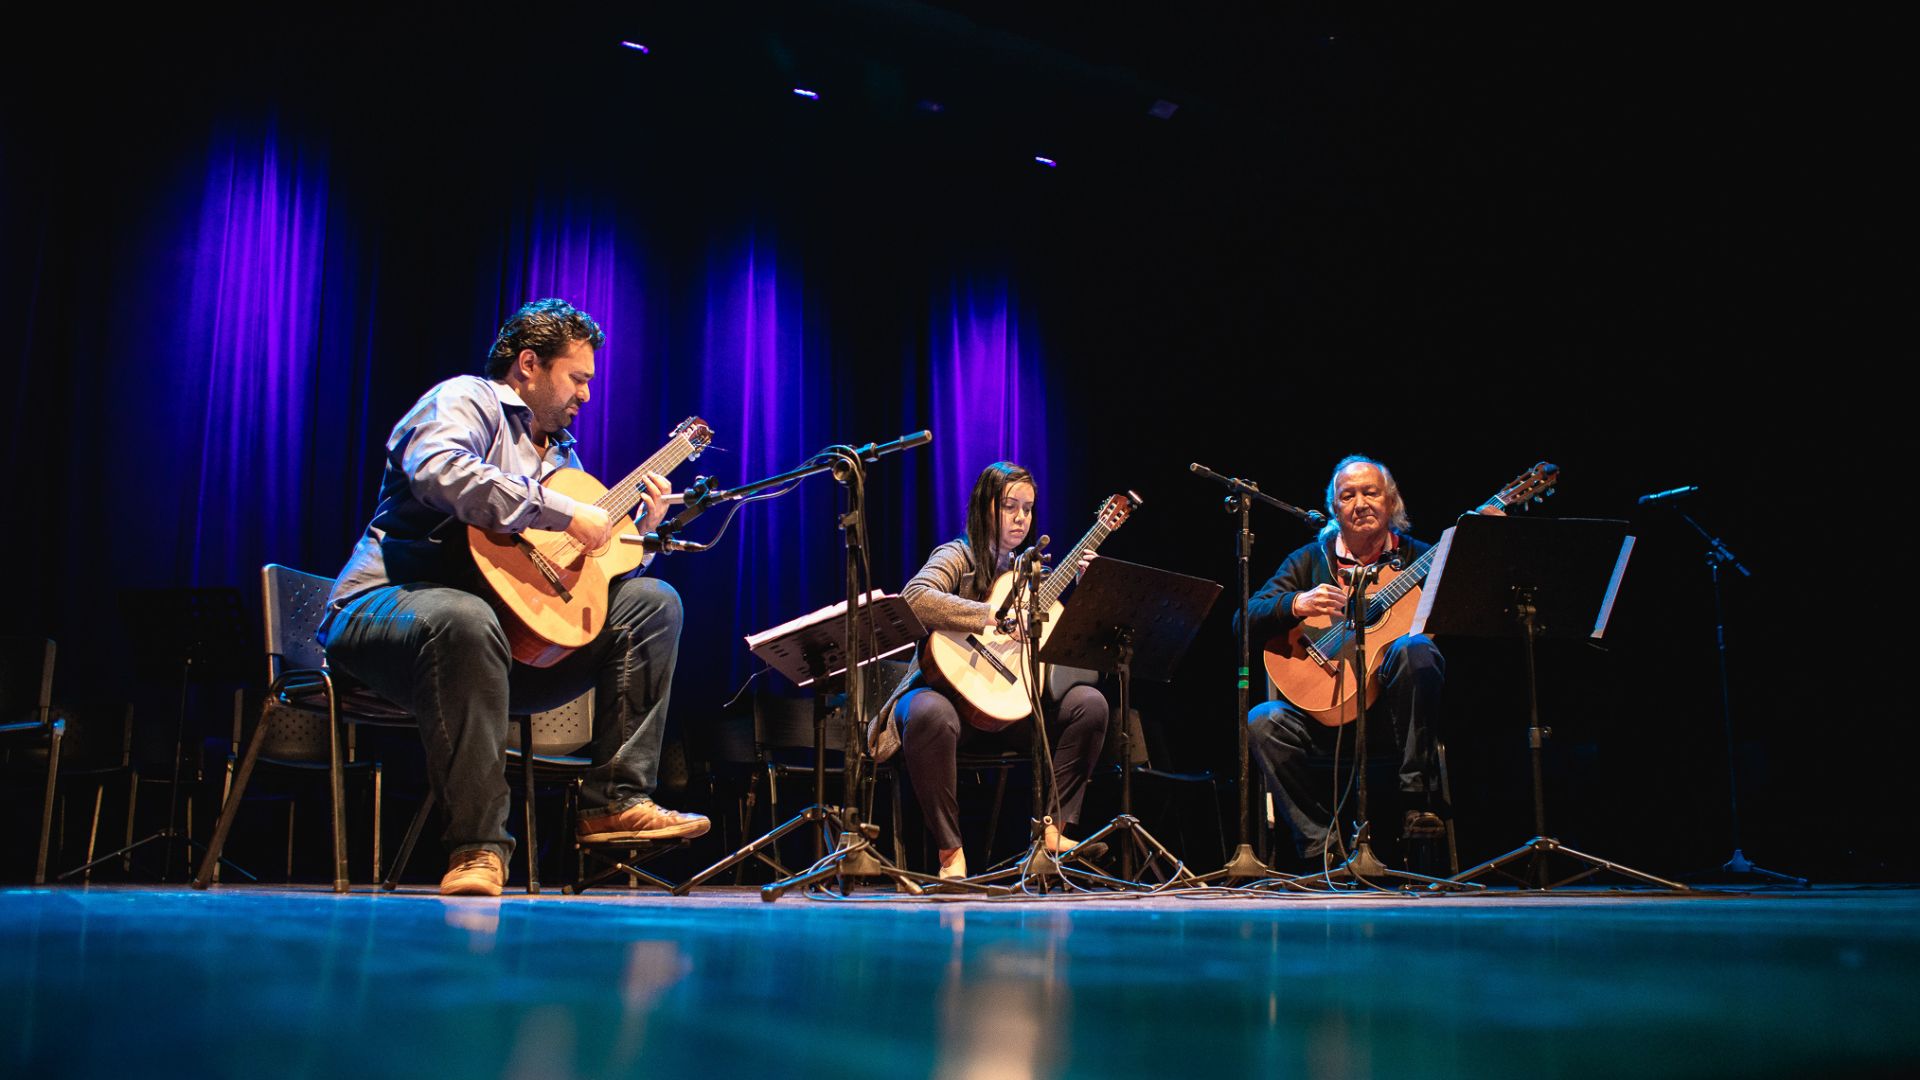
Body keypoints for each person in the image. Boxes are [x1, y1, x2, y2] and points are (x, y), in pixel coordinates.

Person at [318, 298, 708, 896]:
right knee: (463, 618)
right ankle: (477, 848)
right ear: (529, 364)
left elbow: (575, 572)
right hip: (389, 606)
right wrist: (564, 510)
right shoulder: (465, 400)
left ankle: (615, 799)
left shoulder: (563, 455)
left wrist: (642, 535)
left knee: (654, 602)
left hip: (499, 643)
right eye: (577, 378)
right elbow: (442, 471)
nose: (586, 395)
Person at [872, 461, 1109, 880]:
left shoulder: (1030, 573)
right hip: (942, 693)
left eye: (1029, 509)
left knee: (1088, 703)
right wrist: (991, 616)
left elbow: (1070, 654)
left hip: (1003, 704)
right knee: (930, 713)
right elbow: (915, 598)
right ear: (986, 508)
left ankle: (1054, 828)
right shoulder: (956, 555)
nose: (1021, 518)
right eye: (1010, 506)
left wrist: (1091, 592)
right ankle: (951, 854)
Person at [1237, 454, 1452, 867]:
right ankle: (1324, 849)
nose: (1360, 503)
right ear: (1334, 508)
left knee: (1417, 649)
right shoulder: (1308, 559)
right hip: (1324, 720)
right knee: (1262, 720)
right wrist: (1296, 602)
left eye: (1370, 493)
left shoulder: (1420, 559)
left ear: (1391, 502)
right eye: (1347, 495)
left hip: (1395, 721)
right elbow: (1244, 618)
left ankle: (1416, 803)